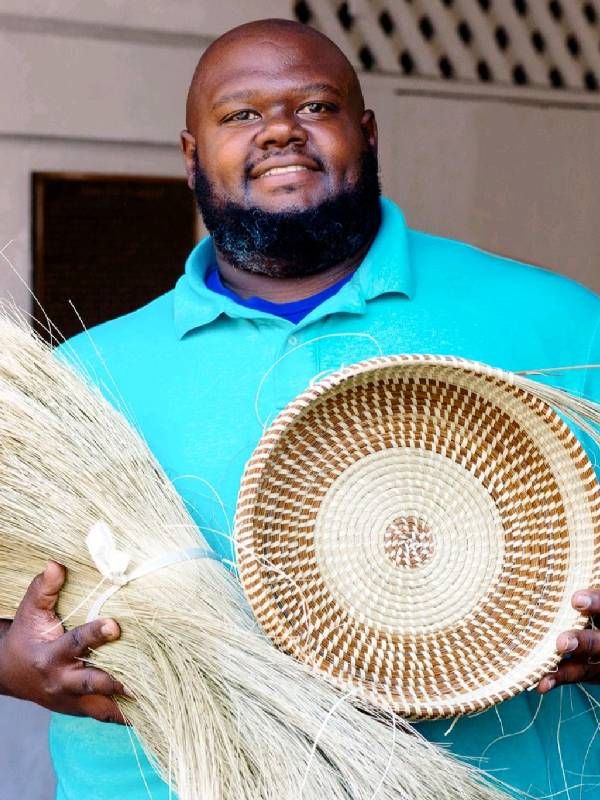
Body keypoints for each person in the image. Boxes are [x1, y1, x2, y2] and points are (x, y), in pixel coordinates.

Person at [1, 17, 599, 800]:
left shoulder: (559, 325)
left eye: (314, 106)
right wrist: (13, 662)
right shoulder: (79, 381)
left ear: (368, 133)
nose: (279, 130)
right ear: (191, 156)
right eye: (240, 114)